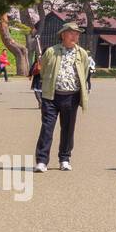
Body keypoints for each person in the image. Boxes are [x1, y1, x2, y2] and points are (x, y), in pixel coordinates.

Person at [34, 24, 90, 172]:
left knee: (68, 129)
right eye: (71, 33)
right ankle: (41, 161)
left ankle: (64, 158)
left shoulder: (82, 53)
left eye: (77, 34)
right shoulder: (51, 51)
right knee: (47, 128)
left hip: (71, 97)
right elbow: (44, 70)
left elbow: (84, 72)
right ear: (63, 35)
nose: (75, 36)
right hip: (51, 97)